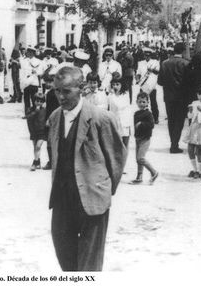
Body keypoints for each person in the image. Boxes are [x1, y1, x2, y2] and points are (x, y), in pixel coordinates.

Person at [48, 66, 126, 271]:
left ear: (81, 88)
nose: (60, 96)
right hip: (63, 199)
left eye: (66, 91)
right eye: (57, 90)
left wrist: (103, 189)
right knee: (65, 256)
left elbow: (116, 158)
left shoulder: (101, 118)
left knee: (89, 265)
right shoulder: (55, 117)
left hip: (92, 199)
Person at [157, 42, 188, 154]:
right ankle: (175, 144)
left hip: (169, 96)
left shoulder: (164, 63)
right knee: (179, 121)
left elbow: (160, 82)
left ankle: (173, 143)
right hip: (182, 97)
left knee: (171, 120)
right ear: (184, 51)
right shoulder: (186, 63)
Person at [130, 92, 158, 185]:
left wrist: (141, 124)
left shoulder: (148, 114)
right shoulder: (136, 113)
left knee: (140, 158)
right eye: (139, 102)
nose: (141, 104)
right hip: (137, 138)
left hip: (145, 139)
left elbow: (151, 125)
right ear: (136, 102)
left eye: (143, 102)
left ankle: (154, 172)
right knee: (137, 159)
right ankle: (139, 176)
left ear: (147, 103)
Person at [108, 76, 133, 149]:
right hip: (115, 121)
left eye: (117, 84)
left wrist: (112, 95)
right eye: (113, 84)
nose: (115, 86)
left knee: (125, 145)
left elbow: (119, 105)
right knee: (115, 144)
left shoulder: (125, 94)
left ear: (122, 85)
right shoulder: (110, 95)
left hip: (124, 122)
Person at [136, 48, 160, 123]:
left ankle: (155, 118)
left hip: (152, 85)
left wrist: (152, 70)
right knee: (142, 102)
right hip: (143, 86)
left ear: (151, 56)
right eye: (146, 55)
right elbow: (138, 73)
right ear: (144, 55)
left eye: (148, 55)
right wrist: (137, 79)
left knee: (153, 103)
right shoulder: (140, 63)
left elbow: (158, 72)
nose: (147, 57)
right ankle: (143, 117)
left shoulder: (155, 62)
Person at [26, 92, 47, 171]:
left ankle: (34, 162)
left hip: (41, 131)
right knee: (35, 147)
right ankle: (38, 161)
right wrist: (35, 111)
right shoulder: (30, 109)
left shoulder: (45, 110)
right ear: (34, 101)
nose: (39, 103)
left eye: (41, 101)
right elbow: (28, 117)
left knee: (38, 146)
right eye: (37, 101)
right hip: (34, 131)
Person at [20, 46, 43, 112]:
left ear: (32, 53)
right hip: (26, 82)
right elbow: (22, 71)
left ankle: (34, 113)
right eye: (27, 52)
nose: (27, 53)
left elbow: (41, 72)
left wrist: (36, 72)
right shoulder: (24, 61)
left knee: (34, 99)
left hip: (34, 82)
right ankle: (27, 113)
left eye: (29, 52)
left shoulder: (38, 61)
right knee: (26, 99)